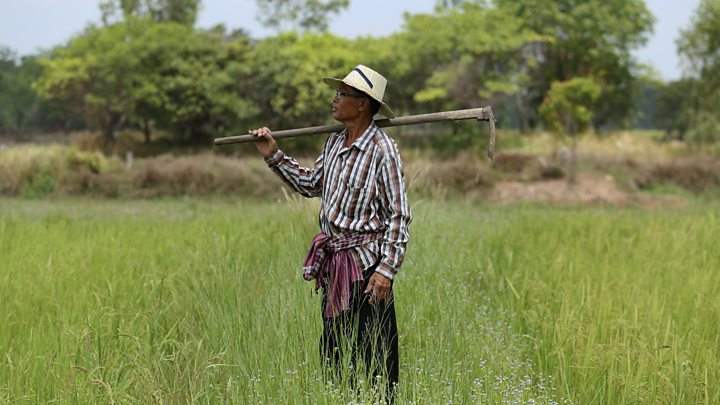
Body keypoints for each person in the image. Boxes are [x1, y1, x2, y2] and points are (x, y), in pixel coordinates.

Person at [250, 64, 411, 402]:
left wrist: (386, 271)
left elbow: (399, 215)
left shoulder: (383, 150)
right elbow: (311, 185)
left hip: (368, 269)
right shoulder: (334, 143)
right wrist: (273, 154)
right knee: (335, 356)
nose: (334, 100)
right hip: (336, 267)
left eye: (342, 94)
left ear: (363, 103)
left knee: (377, 359)